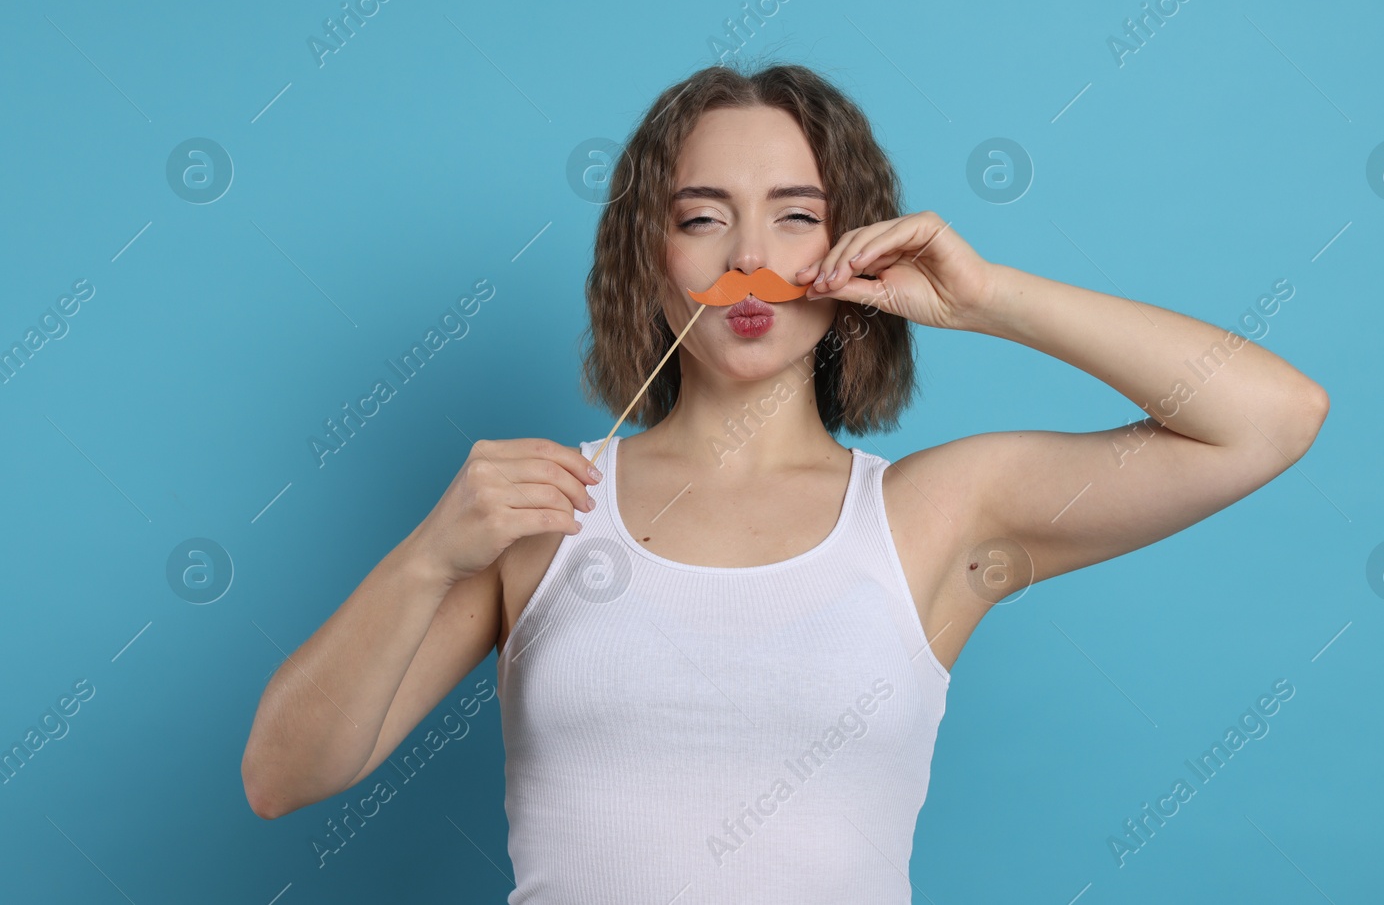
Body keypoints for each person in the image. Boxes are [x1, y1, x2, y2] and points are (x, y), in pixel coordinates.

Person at [240, 62, 1328, 902]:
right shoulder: (541, 511)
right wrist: (428, 552)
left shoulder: (935, 513)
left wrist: (986, 294)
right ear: (648, 259)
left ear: (854, 251)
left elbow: (1271, 419)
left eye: (795, 215)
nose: (748, 253)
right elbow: (280, 775)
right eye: (702, 216)